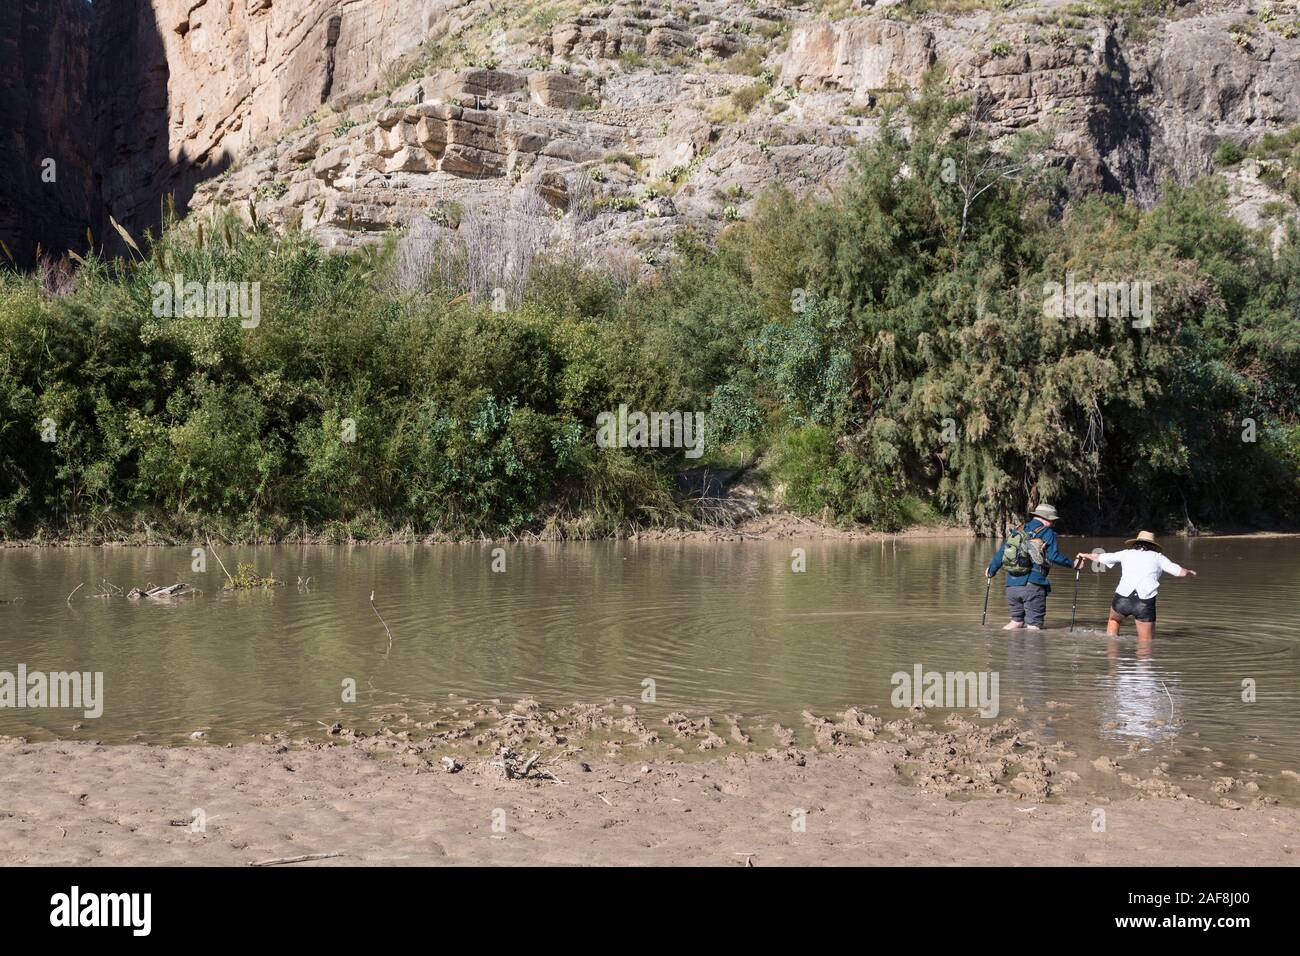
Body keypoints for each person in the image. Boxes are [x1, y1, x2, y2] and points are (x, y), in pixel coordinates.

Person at [1076, 530, 1196, 640]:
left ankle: (1113, 656)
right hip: (1144, 602)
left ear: (1136, 543)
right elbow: (1180, 573)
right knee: (1145, 643)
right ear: (1153, 546)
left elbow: (1098, 557)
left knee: (1114, 620)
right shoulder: (1158, 557)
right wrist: (1189, 572)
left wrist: (1084, 555)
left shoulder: (1126, 553)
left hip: (1122, 599)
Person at [986, 503, 1077, 630]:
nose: (1053, 524)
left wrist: (991, 570)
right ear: (1047, 519)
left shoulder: (1018, 530)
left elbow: (1002, 553)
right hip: (1032, 586)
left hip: (1011, 587)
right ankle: (1032, 649)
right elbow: (1053, 556)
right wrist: (1073, 563)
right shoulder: (1047, 532)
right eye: (1053, 521)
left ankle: (1003, 642)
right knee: (1034, 628)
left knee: (1016, 623)